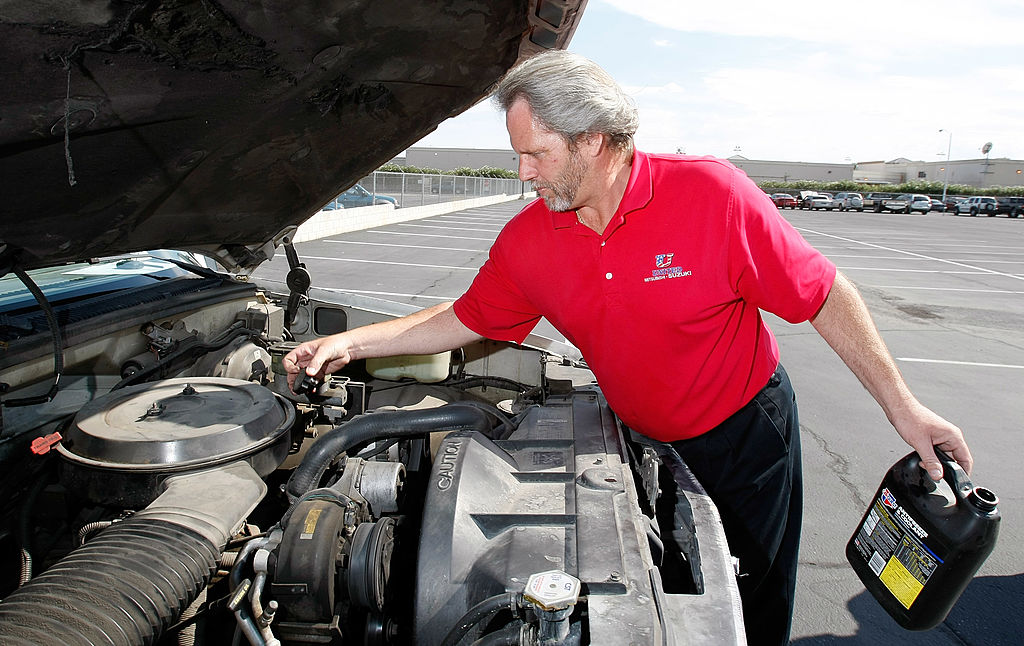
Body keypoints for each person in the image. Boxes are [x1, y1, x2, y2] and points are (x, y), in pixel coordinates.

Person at [283, 50, 973, 646]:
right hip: (642, 441)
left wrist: (904, 409)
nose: (524, 173)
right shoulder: (531, 241)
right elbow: (465, 317)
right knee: (660, 590)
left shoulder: (710, 194)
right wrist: (350, 342)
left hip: (745, 440)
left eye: (537, 153)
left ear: (594, 142)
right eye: (517, 153)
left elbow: (824, 295)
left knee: (749, 599)